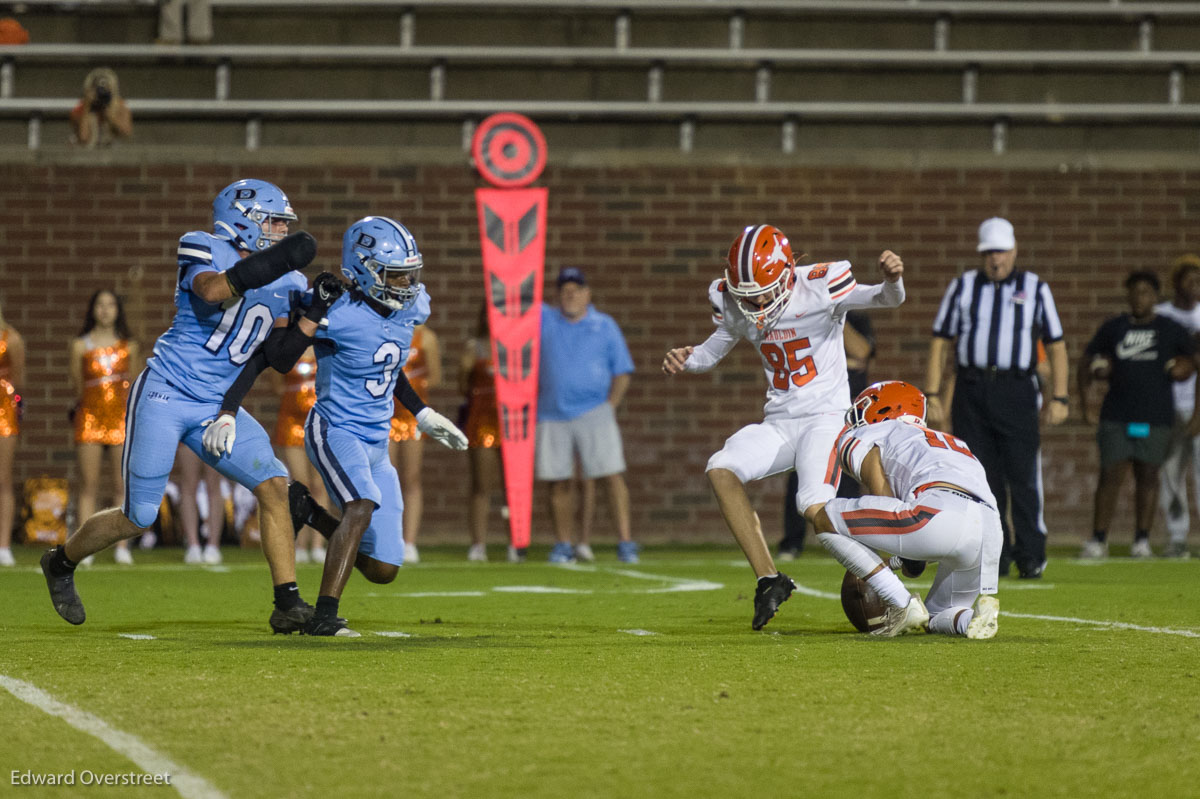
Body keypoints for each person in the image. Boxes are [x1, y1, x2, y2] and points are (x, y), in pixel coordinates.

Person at [39, 178, 327, 633]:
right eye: (271, 221)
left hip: (219, 404)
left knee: (274, 487)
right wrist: (275, 263)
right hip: (166, 392)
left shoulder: (290, 278)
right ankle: (60, 561)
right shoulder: (202, 245)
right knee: (140, 516)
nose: (279, 231)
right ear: (242, 219)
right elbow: (213, 290)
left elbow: (284, 356)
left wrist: (316, 311)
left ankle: (288, 603)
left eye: (282, 225)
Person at [223, 216, 467, 636]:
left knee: (383, 568)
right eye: (395, 274)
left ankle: (310, 513)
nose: (407, 283)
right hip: (336, 429)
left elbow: (385, 364)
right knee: (360, 506)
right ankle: (323, 616)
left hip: (377, 437)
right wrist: (229, 406)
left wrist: (420, 412)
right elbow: (274, 356)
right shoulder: (339, 314)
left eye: (411, 273)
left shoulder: (412, 306)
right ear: (364, 272)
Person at [663, 224, 905, 630]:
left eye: (762, 290)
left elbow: (887, 299)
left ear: (788, 273)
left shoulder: (820, 286)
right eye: (746, 294)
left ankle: (895, 558)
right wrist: (687, 359)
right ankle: (770, 579)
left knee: (809, 502)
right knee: (721, 468)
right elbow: (713, 350)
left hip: (824, 418)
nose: (755, 302)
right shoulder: (736, 302)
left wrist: (892, 279)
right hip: (779, 421)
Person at [925, 217, 1069, 580]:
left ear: (1014, 250)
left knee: (1023, 475)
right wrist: (932, 394)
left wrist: (1060, 397)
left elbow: (1056, 346)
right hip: (972, 390)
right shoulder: (963, 287)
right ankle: (993, 553)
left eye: (1001, 251)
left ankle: (1032, 553)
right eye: (989, 252)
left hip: (1017, 389)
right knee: (979, 477)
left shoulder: (1035, 288)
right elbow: (940, 341)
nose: (995, 259)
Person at [805, 381, 1001, 639]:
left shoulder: (870, 433)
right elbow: (949, 531)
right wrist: (905, 558)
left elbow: (882, 490)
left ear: (882, 406)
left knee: (824, 518)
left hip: (936, 513)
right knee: (939, 613)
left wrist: (898, 553)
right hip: (989, 530)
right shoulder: (954, 443)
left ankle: (901, 602)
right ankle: (971, 619)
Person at [1077, 271, 1199, 559]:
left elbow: (1194, 361)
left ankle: (1141, 541)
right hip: (1117, 416)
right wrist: (1085, 407)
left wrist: (1196, 413)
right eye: (1134, 291)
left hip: (1155, 418)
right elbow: (1085, 360)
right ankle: (1098, 539)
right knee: (1110, 475)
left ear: (1155, 297)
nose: (1139, 297)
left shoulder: (1169, 329)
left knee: (1149, 476)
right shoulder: (1114, 328)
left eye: (1145, 292)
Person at [537, 267, 637, 565]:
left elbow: (622, 371)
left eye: (576, 290)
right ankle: (563, 543)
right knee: (558, 480)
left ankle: (625, 541)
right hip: (551, 412)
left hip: (595, 412)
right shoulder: (544, 320)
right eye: (564, 290)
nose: (570, 295)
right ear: (557, 295)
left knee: (611, 474)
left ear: (587, 294)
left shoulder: (604, 325)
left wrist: (610, 405)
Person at [778, 310, 874, 560]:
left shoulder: (855, 317)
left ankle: (850, 537)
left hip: (847, 407)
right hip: (814, 406)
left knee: (850, 472)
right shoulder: (804, 316)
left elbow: (861, 353)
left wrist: (834, 318)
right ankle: (792, 542)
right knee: (801, 470)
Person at [69, 290, 138, 566]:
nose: (106, 310)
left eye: (111, 305)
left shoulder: (129, 345)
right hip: (90, 419)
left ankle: (122, 547)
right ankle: (85, 547)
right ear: (92, 309)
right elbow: (77, 385)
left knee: (122, 485)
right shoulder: (80, 345)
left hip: (120, 419)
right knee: (89, 485)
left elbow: (133, 383)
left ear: (118, 310)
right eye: (100, 304)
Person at [1154, 254, 1200, 559]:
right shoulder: (1161, 315)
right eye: (1189, 278)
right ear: (1176, 281)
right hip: (1166, 406)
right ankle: (1177, 536)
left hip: (1197, 405)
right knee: (1170, 474)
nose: (1195, 285)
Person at [387, 323, 442, 565]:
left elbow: (436, 378)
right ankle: (388, 538)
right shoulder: (386, 330)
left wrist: (411, 384)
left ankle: (409, 542)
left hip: (411, 417)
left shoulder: (426, 337)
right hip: (386, 413)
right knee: (386, 477)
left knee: (411, 477)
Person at [272, 346, 329, 564]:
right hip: (291, 423)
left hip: (320, 422)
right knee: (300, 483)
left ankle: (318, 544)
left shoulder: (325, 346)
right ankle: (300, 543)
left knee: (319, 484)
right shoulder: (288, 345)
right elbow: (278, 385)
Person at [460, 304, 503, 562]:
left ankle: (516, 542)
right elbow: (462, 386)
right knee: (481, 485)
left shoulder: (516, 349)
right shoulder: (473, 347)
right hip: (482, 422)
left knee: (514, 486)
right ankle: (478, 544)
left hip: (511, 423)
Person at [0, 301, 24, 567]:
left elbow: (19, 381)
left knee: (2, 479)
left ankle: (4, 545)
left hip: (3, 413)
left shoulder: (11, 338)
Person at [175, 445, 225, 564]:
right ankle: (193, 545)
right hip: (189, 429)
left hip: (214, 428)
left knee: (214, 485)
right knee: (188, 485)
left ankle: (213, 545)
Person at [69, 67, 132, 149]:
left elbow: (126, 133)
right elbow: (83, 138)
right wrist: (87, 107)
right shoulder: (80, 108)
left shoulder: (120, 106)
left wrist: (110, 116)